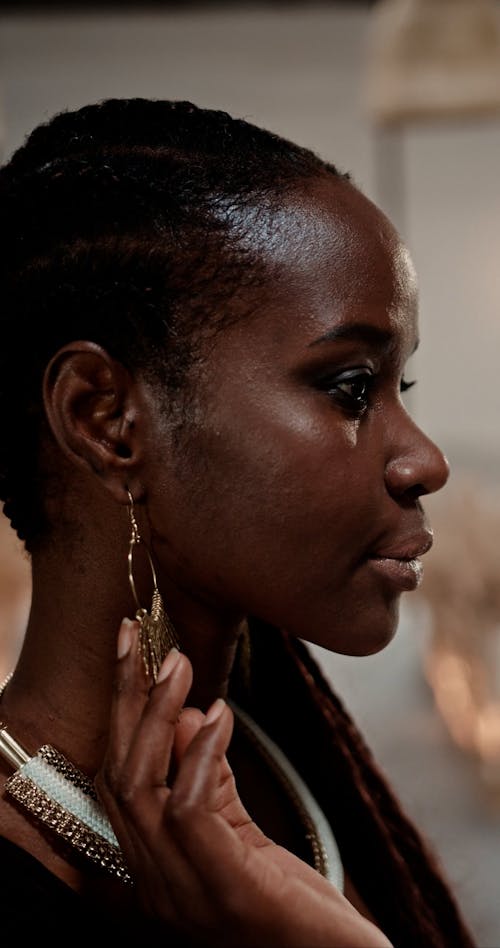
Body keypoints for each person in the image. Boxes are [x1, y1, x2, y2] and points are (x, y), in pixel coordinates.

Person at [0, 97, 475, 947]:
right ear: (106, 420)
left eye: (401, 388)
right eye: (351, 389)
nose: (425, 461)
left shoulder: (284, 760)